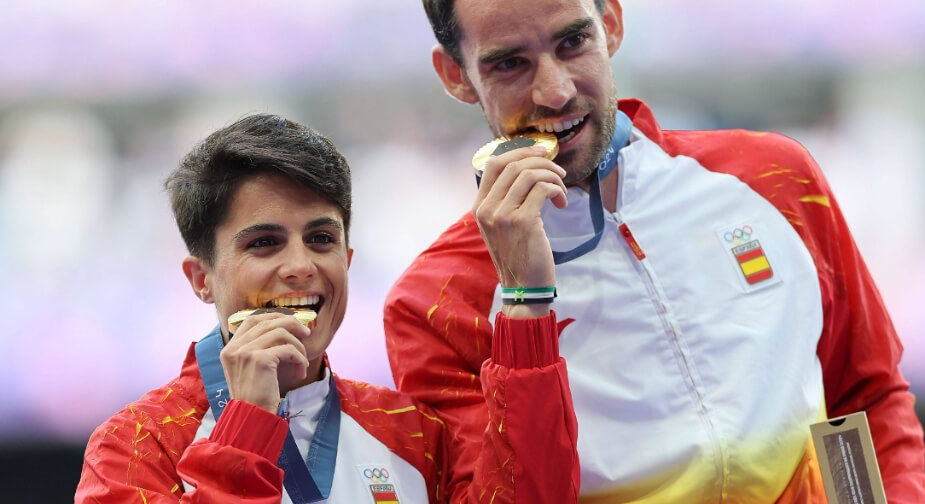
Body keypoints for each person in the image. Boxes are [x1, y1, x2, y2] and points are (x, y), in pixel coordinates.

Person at [384, 0, 925, 502]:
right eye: (510, 65)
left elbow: (865, 399)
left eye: (573, 42)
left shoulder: (774, 179)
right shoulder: (434, 303)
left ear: (612, 25)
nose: (554, 91)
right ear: (455, 76)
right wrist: (525, 305)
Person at [75, 114, 579, 503]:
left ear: (348, 259)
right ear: (201, 279)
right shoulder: (132, 449)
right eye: (264, 243)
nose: (301, 266)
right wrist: (246, 422)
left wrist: (526, 299)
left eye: (321, 238)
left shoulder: (410, 430)